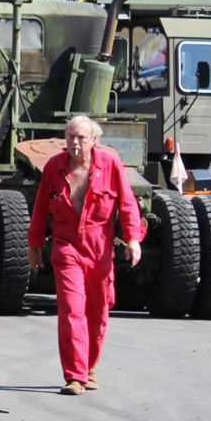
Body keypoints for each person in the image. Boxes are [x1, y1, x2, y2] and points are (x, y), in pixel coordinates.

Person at [27, 116, 144, 395]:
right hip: (66, 245)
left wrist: (133, 239)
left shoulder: (110, 164)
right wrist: (34, 246)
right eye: (70, 137)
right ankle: (75, 376)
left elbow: (127, 204)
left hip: (99, 247)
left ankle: (90, 367)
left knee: (98, 312)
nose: (75, 142)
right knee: (71, 309)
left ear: (94, 140)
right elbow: (41, 208)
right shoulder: (54, 167)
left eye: (81, 137)